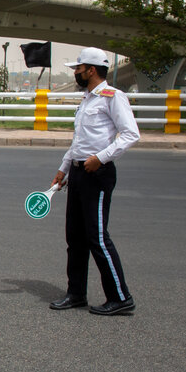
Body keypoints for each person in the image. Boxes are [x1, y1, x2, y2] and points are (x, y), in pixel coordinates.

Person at [49, 47, 139, 316]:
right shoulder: (87, 99)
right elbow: (79, 142)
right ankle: (76, 293)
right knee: (74, 238)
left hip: (97, 175)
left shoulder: (113, 97)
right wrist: (63, 170)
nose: (75, 73)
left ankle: (120, 297)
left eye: (78, 68)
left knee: (97, 238)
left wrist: (101, 158)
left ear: (91, 69)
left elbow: (130, 134)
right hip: (78, 173)